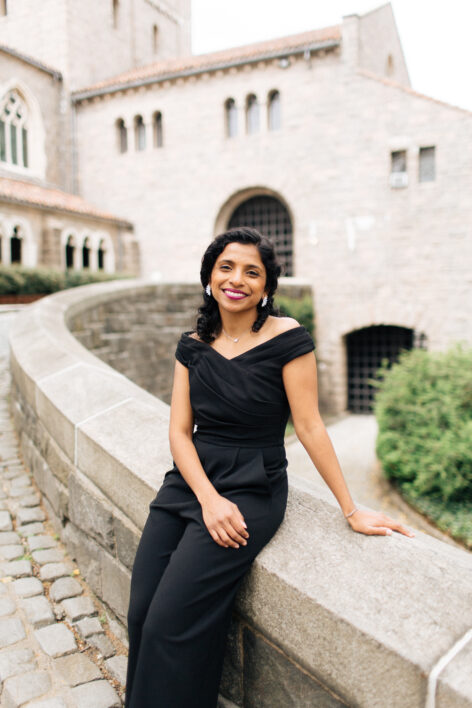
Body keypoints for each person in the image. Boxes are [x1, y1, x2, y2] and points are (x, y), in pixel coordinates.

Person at [124, 226, 415, 708]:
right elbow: (179, 433)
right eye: (226, 267)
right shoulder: (192, 344)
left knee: (169, 622)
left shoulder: (289, 339)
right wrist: (207, 498)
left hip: (251, 488)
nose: (237, 279)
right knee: (139, 614)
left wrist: (350, 509)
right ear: (209, 277)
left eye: (251, 272)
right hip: (192, 484)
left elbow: (311, 427)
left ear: (267, 286)